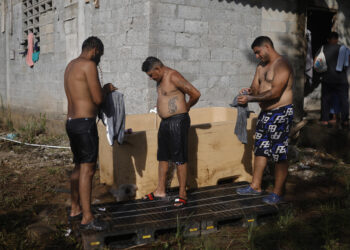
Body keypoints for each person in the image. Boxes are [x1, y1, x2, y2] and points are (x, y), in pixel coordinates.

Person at [64, 36, 116, 230]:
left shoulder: (71, 65)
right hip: (85, 124)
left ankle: (75, 208)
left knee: (78, 167)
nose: (99, 59)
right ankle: (87, 217)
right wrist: (106, 89)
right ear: (95, 50)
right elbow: (97, 99)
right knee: (88, 170)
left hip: (71, 122)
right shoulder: (88, 65)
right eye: (100, 55)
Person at [236, 36, 294, 204]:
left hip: (280, 112)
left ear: (267, 47)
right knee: (260, 149)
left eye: (258, 52)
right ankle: (255, 186)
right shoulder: (261, 66)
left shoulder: (282, 64)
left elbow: (275, 92)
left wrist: (250, 99)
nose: (257, 56)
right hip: (265, 114)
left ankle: (277, 192)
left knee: (279, 153)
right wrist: (248, 92)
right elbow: (256, 88)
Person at [141, 57, 201, 207]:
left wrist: (186, 107)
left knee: (179, 157)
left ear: (158, 69)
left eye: (151, 75)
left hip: (178, 121)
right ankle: (160, 190)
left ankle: (182, 194)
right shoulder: (159, 80)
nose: (150, 78)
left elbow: (195, 93)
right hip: (165, 123)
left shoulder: (173, 76)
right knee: (163, 156)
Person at [318, 32, 349, 128]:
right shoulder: (344, 49)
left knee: (326, 99)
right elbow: (346, 64)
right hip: (341, 79)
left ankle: (324, 120)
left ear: (328, 39)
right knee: (344, 100)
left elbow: (317, 62)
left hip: (327, 79)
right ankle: (345, 120)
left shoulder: (323, 48)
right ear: (337, 39)